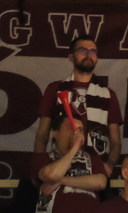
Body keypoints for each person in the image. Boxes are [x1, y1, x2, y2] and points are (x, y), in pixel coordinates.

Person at [33, 34, 120, 168]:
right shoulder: (55, 89)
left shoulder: (108, 94)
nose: (88, 55)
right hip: (60, 164)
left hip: (95, 166)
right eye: (83, 51)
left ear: (97, 59)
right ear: (71, 57)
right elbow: (42, 135)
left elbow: (115, 141)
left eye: (93, 52)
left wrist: (109, 165)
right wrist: (39, 165)